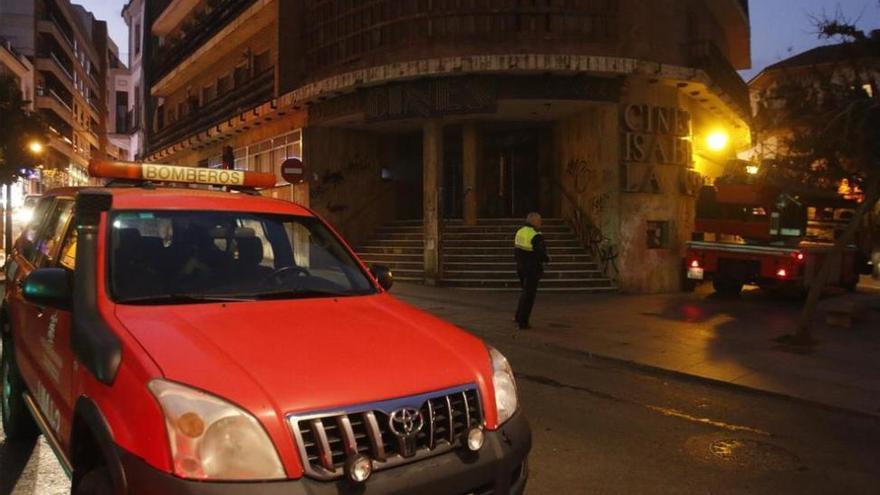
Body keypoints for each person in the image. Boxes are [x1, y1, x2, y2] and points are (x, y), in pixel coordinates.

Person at [514, 212, 549, 329]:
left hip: (521, 267)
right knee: (529, 296)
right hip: (532, 268)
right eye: (539, 221)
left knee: (524, 293)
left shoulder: (520, 231)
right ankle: (523, 322)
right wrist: (547, 259)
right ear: (534, 222)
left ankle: (518, 316)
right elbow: (541, 253)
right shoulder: (536, 235)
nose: (541, 223)